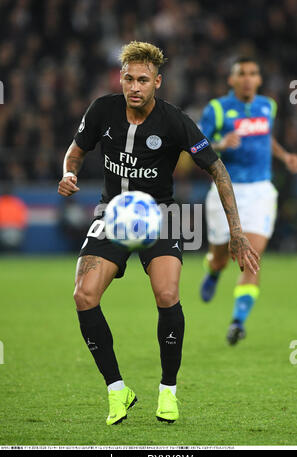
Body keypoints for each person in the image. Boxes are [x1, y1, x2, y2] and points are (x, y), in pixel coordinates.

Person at [58, 42, 259, 426]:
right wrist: (69, 173)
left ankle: (168, 392)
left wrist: (237, 231)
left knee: (167, 294)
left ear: (158, 82)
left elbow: (217, 169)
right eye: (129, 78)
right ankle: (118, 391)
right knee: (83, 295)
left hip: (162, 216)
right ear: (121, 78)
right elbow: (76, 151)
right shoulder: (102, 109)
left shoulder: (175, 121)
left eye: (143, 80)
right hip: (112, 214)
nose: (135, 86)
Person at [199, 57, 297, 345]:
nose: (247, 78)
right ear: (231, 80)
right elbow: (196, 144)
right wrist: (220, 143)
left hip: (260, 191)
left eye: (253, 73)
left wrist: (285, 156)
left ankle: (237, 321)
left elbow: (265, 138)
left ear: (259, 80)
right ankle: (213, 272)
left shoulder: (268, 106)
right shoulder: (217, 109)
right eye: (241, 73)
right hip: (225, 189)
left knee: (252, 257)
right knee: (220, 258)